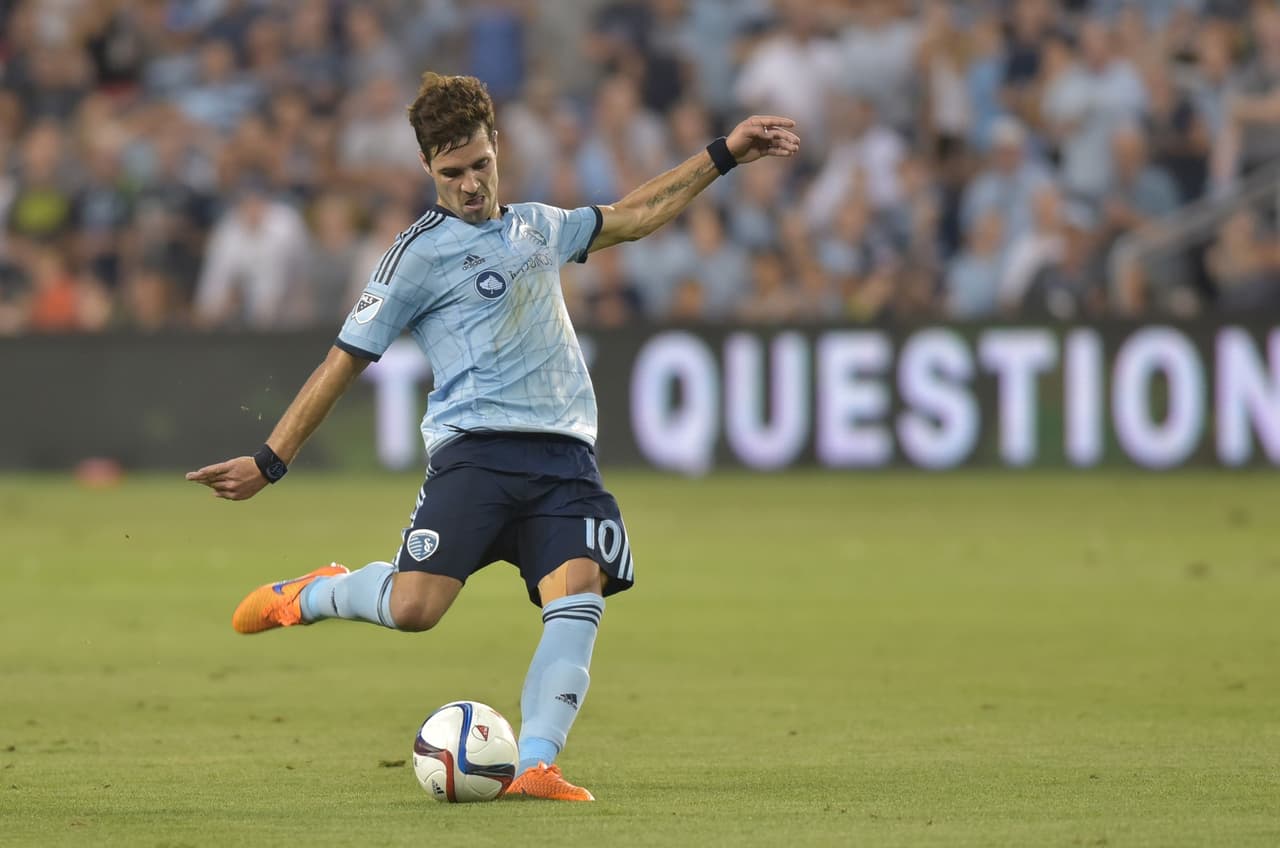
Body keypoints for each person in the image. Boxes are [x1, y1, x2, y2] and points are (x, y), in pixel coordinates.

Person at [185, 72, 799, 801]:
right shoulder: (414, 256)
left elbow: (636, 213)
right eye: (452, 172)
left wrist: (725, 153)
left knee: (579, 596)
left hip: (566, 459)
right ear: (426, 169)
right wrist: (269, 460)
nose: (471, 184)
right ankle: (318, 592)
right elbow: (341, 361)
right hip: (475, 453)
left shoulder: (541, 225)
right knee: (415, 611)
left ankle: (537, 762)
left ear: (497, 146)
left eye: (480, 164)